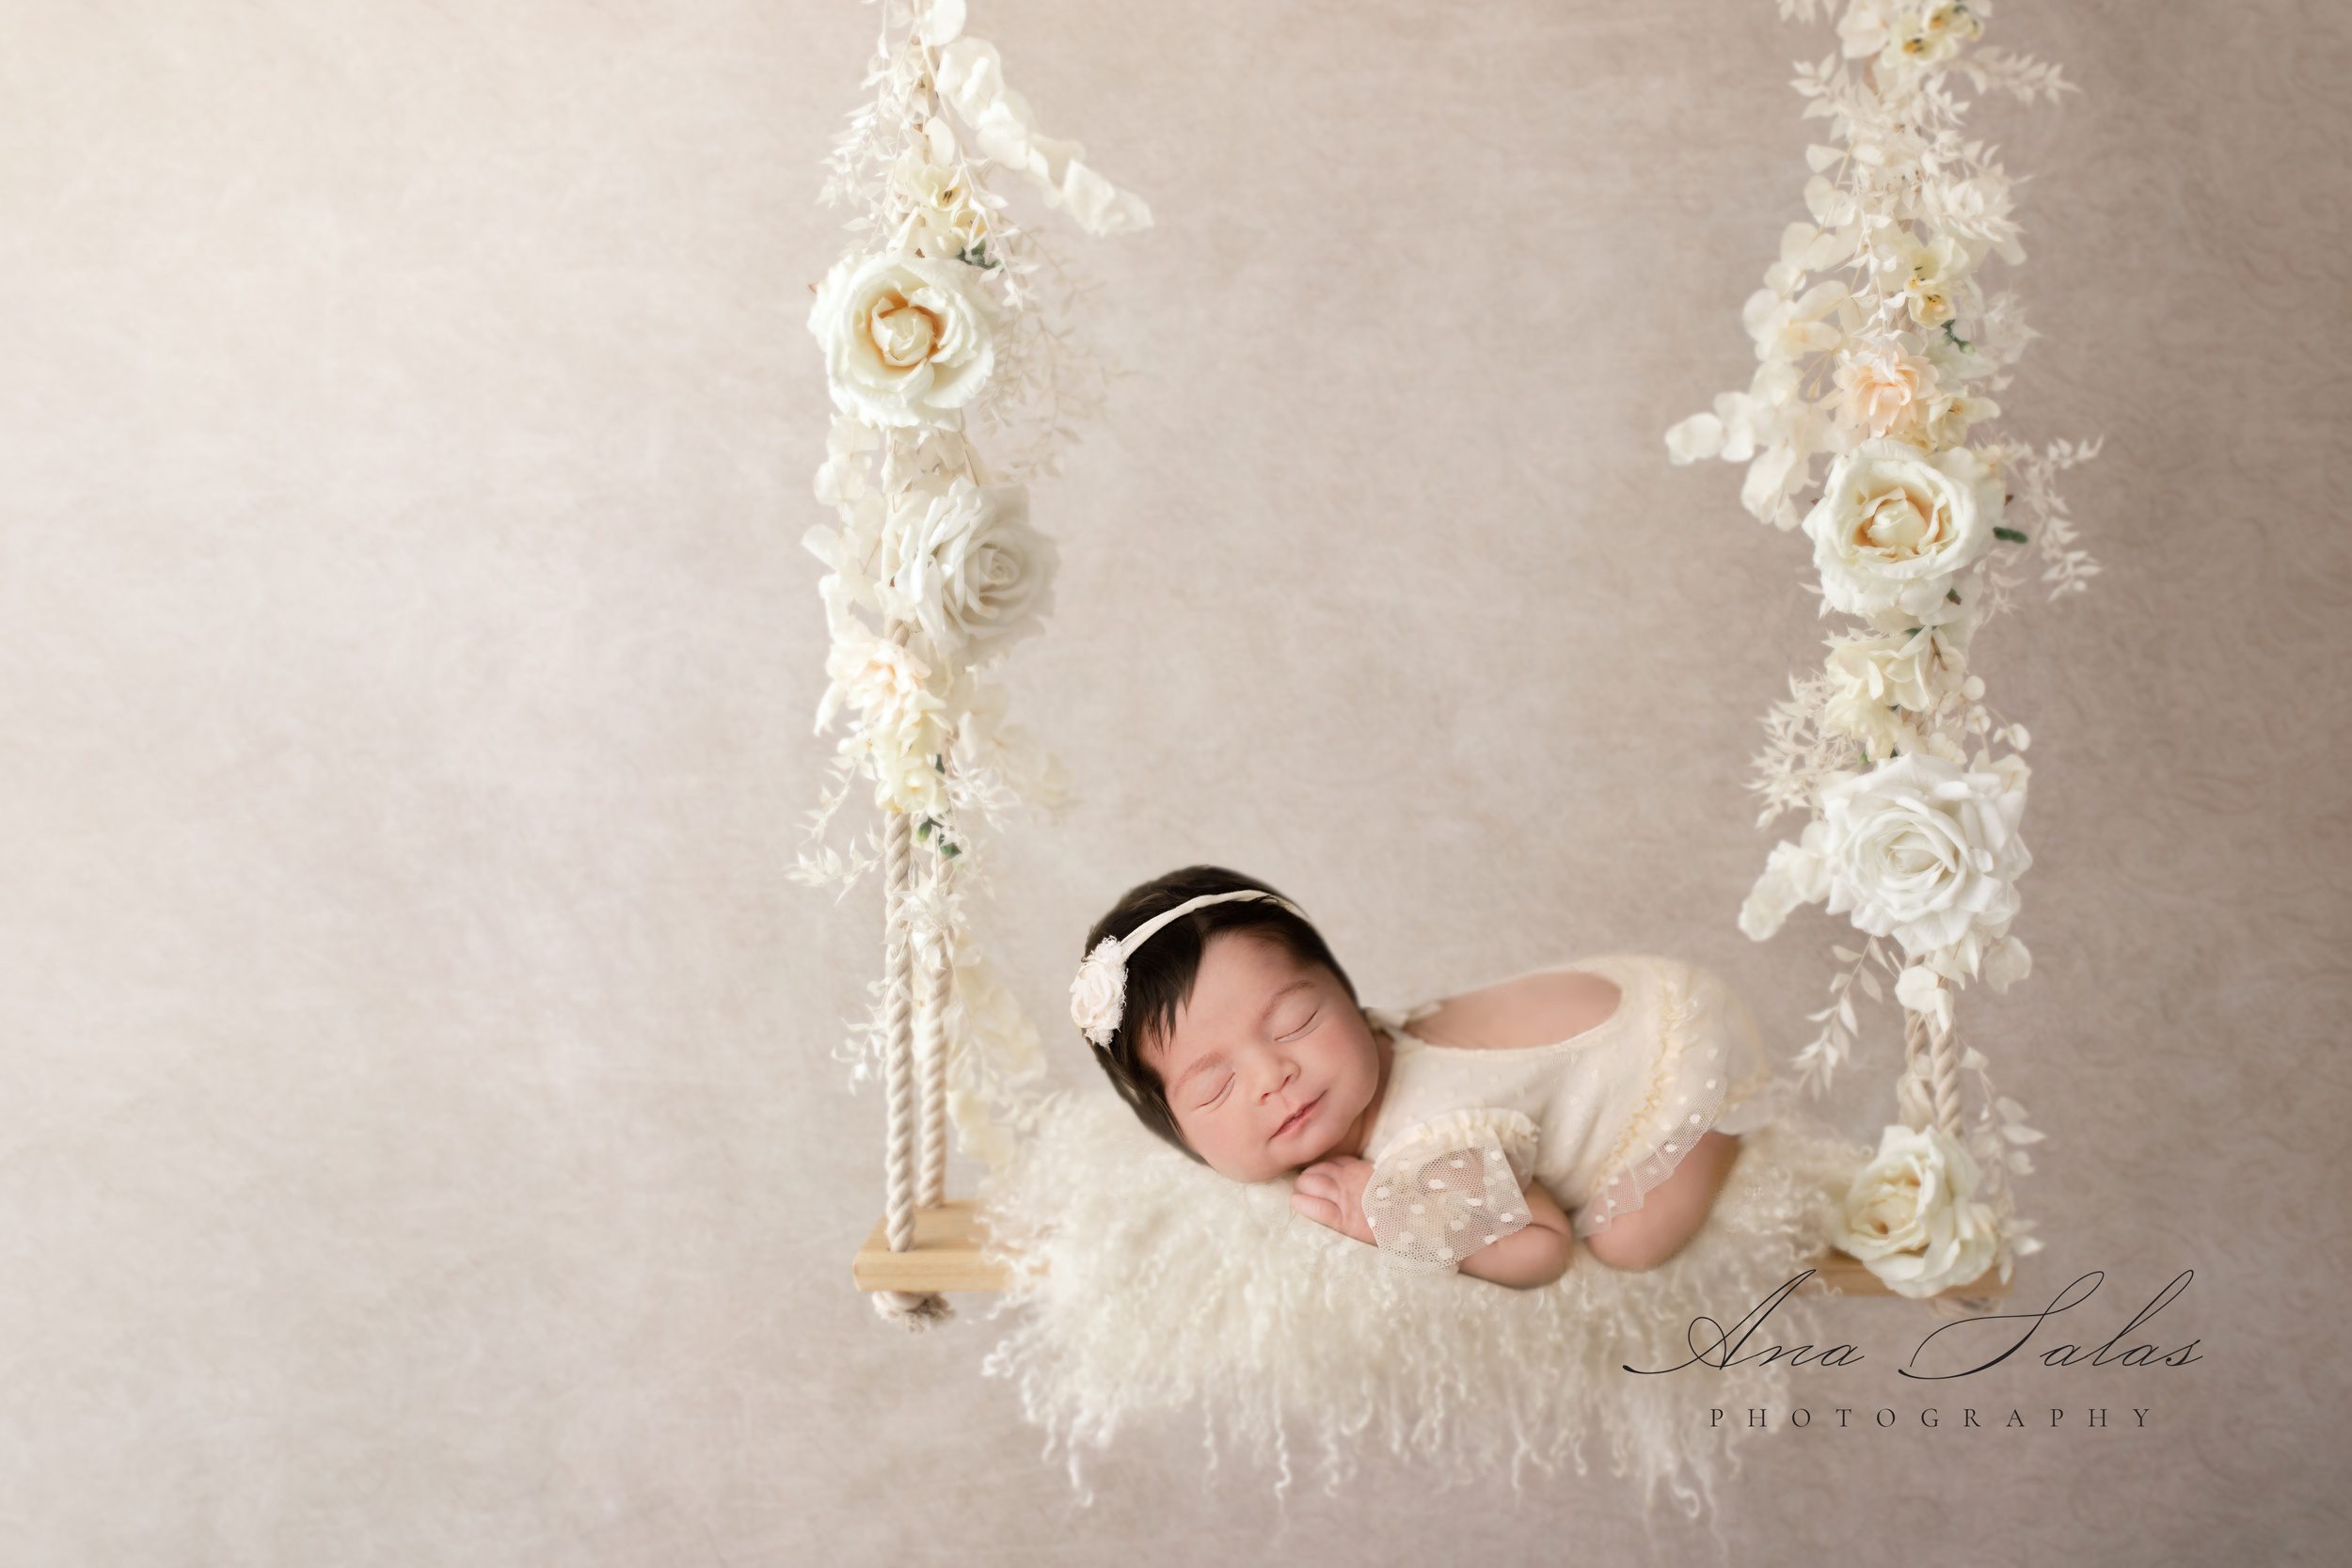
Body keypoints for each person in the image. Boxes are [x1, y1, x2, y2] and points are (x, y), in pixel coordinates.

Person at [1072, 865, 1781, 1289]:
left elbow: (1542, 1245)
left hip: (1679, 1050)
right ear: (1177, 1133)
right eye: (1214, 1086)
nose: (1271, 1074)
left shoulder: (1428, 1139)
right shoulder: (1362, 1058)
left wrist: (1387, 1212)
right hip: (1627, 990)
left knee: (1629, 1242)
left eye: (1294, 1022)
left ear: (1348, 994)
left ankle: (1717, 1133)